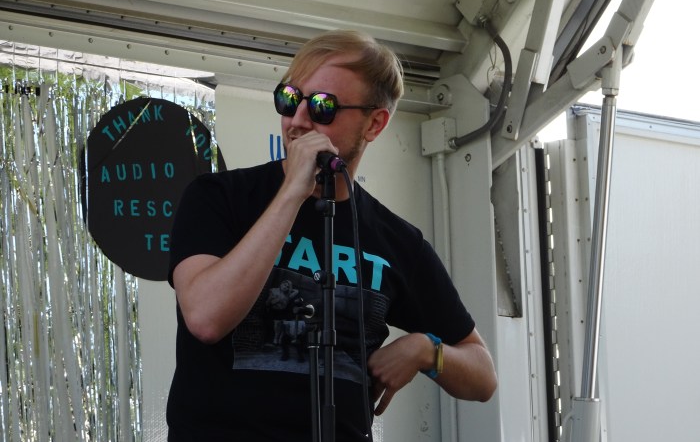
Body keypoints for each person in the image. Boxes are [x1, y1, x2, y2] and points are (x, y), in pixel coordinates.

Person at [166, 29, 497, 441]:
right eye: (290, 99)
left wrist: (426, 351)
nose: (298, 120)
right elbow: (205, 318)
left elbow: (483, 375)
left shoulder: (395, 240)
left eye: (323, 106)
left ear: (374, 123)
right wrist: (292, 193)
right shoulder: (219, 198)